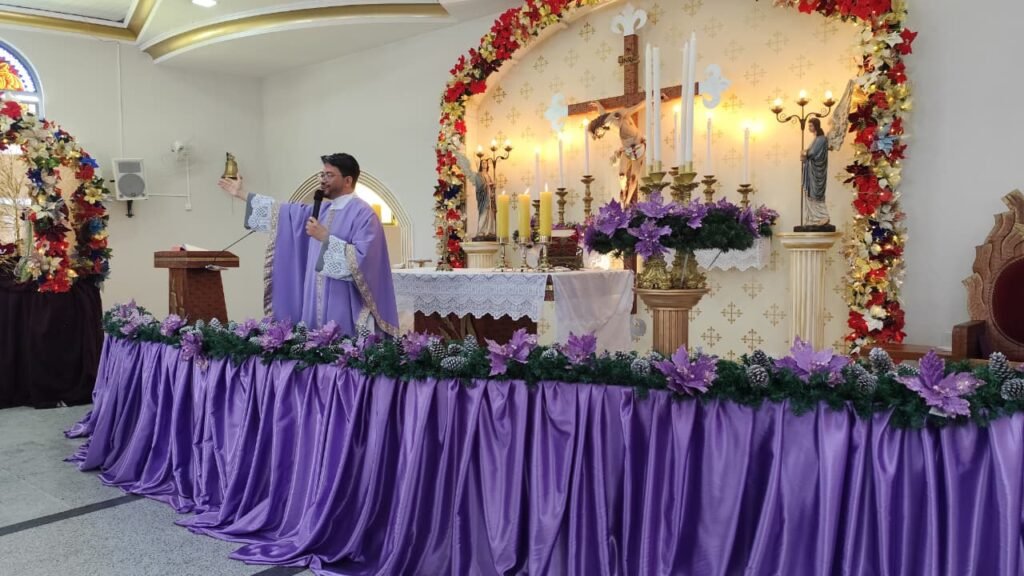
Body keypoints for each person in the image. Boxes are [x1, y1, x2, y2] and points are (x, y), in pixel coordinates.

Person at [218, 153, 398, 337]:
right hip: (313, 299)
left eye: (329, 175)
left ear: (348, 180)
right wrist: (241, 194)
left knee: (341, 348)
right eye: (322, 174)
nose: (323, 180)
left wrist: (325, 237)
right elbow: (282, 213)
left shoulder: (364, 214)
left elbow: (364, 260)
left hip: (343, 301)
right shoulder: (321, 210)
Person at [801, 117, 830, 227]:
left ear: (816, 126)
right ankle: (813, 218)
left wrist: (804, 153)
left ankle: (823, 216)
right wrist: (805, 153)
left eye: (811, 126)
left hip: (817, 171)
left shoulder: (821, 139)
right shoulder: (816, 138)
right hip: (811, 169)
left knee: (816, 193)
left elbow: (812, 153)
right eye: (808, 126)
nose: (809, 128)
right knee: (810, 194)